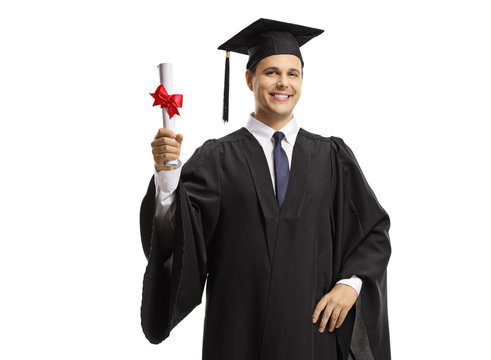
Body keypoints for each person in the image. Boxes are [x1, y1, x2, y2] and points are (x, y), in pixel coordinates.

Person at [139, 18, 392, 360]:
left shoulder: (332, 157)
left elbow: (372, 232)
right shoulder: (217, 158)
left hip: (313, 337)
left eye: (293, 73)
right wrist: (167, 179)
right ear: (249, 78)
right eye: (272, 72)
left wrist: (351, 284)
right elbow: (177, 238)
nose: (283, 83)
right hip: (238, 337)